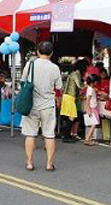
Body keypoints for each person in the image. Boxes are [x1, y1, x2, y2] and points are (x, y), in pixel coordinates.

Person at [22, 41, 62, 171]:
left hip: (31, 104)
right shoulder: (55, 68)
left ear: (38, 52)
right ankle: (49, 164)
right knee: (49, 135)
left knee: (30, 134)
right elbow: (58, 88)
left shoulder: (30, 64)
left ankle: (29, 163)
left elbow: (23, 81)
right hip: (48, 105)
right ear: (51, 53)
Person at [60, 59, 85, 143]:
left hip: (67, 96)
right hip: (70, 97)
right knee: (72, 116)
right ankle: (66, 136)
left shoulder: (72, 73)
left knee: (70, 116)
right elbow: (79, 85)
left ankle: (66, 135)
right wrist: (87, 85)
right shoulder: (76, 73)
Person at [83, 74, 101, 146]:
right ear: (94, 82)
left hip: (93, 107)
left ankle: (90, 138)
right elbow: (88, 100)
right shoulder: (90, 89)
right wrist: (88, 109)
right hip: (92, 108)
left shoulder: (90, 88)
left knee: (93, 123)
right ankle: (87, 139)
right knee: (94, 123)